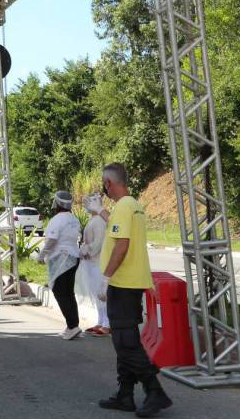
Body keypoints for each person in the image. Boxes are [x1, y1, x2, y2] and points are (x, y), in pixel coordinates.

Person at [97, 163, 172, 417]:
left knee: (126, 342)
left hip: (122, 283)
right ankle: (125, 395)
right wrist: (101, 213)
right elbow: (120, 230)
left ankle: (155, 390)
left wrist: (105, 277)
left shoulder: (123, 207)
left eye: (103, 183)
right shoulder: (133, 206)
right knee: (123, 341)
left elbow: (122, 246)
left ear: (108, 183)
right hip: (132, 282)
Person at [38, 191, 81, 340]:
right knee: (69, 292)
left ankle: (72, 326)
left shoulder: (57, 220)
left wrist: (42, 255)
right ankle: (73, 324)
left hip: (61, 258)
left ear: (57, 203)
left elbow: (51, 240)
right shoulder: (74, 219)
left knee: (59, 292)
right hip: (74, 257)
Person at [76, 193, 110, 336]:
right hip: (92, 262)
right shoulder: (94, 220)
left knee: (102, 295)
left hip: (98, 262)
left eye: (87, 204)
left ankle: (107, 324)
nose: (85, 207)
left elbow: (98, 243)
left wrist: (86, 250)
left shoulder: (98, 221)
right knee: (97, 295)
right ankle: (101, 321)